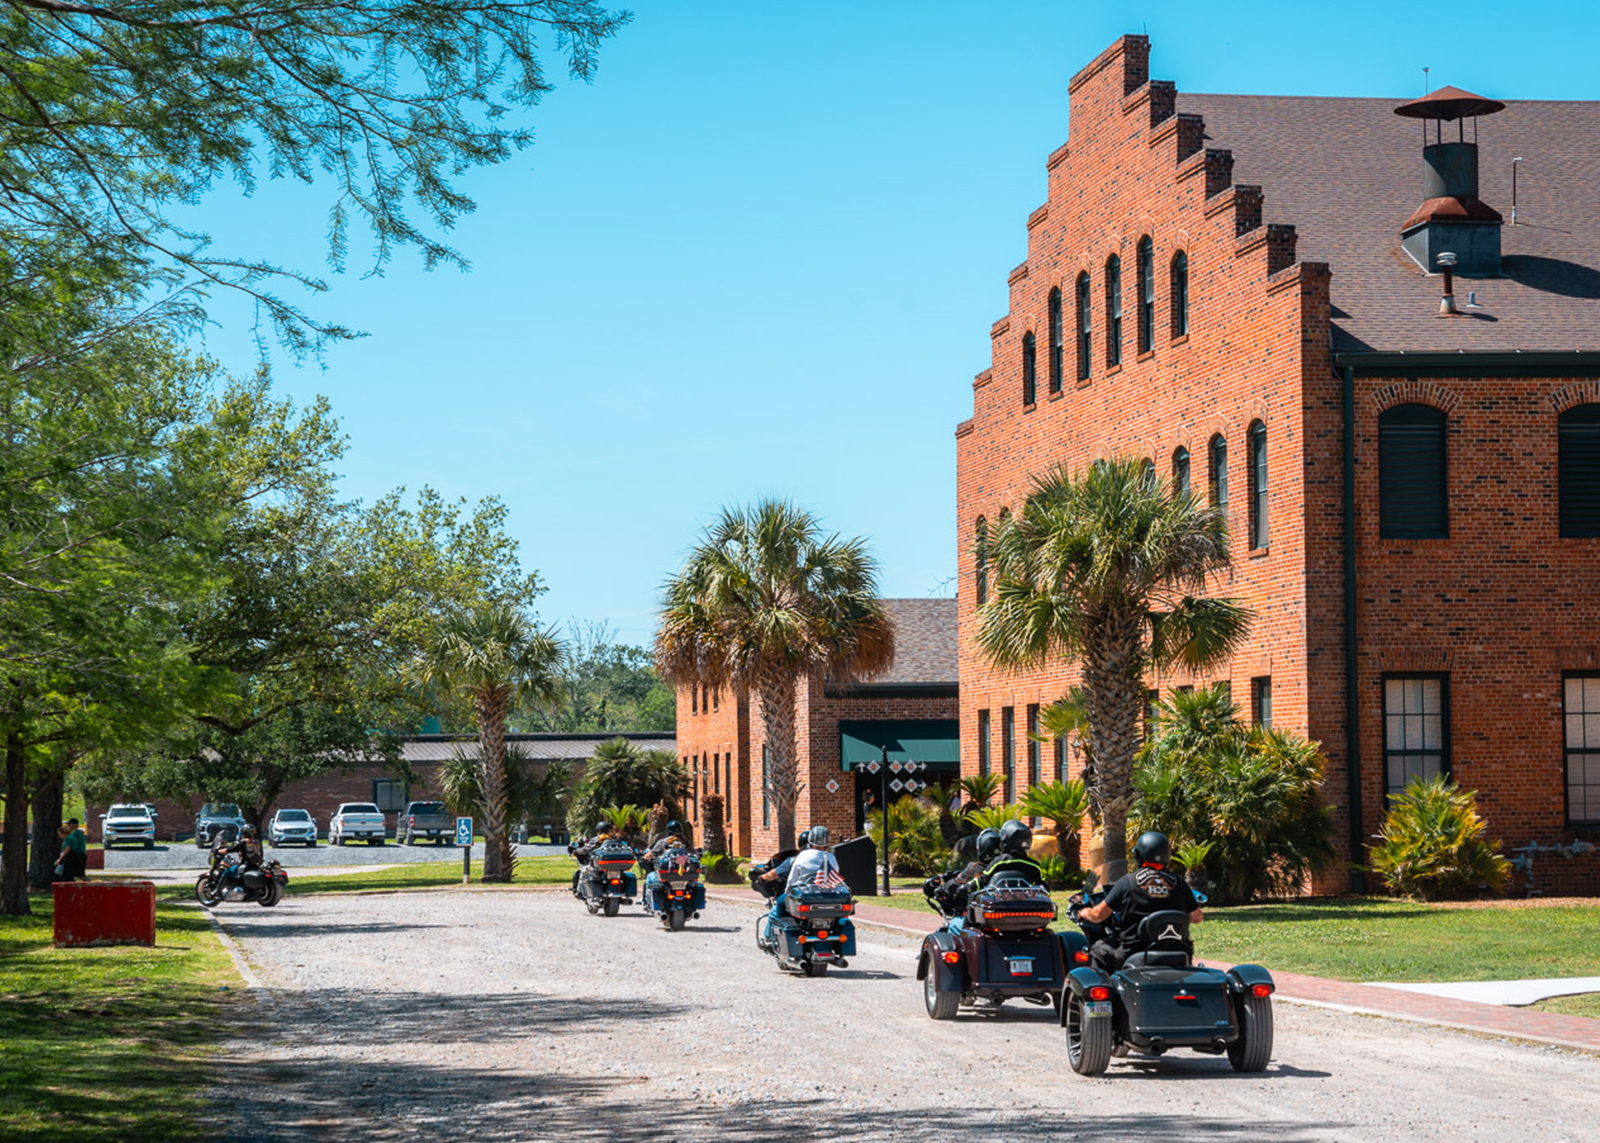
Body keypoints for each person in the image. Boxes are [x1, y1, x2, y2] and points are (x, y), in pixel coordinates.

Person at [1075, 830, 1203, 971]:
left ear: (1138, 855)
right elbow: (1197, 918)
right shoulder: (1179, 883)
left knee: (1097, 949)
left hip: (1133, 953)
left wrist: (1085, 912)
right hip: (1176, 953)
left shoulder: (1128, 882)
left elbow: (1098, 915)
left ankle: (1105, 990)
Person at [961, 819, 1044, 896]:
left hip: (998, 904)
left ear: (1006, 840)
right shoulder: (1034, 866)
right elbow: (1043, 887)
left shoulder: (999, 862)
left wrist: (965, 888)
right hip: (1025, 906)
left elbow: (982, 880)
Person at [570, 821, 619, 894]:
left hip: (599, 865)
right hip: (615, 866)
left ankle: (579, 891)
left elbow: (586, 849)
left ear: (599, 830)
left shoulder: (598, 839)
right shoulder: (616, 839)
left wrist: (576, 852)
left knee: (583, 871)